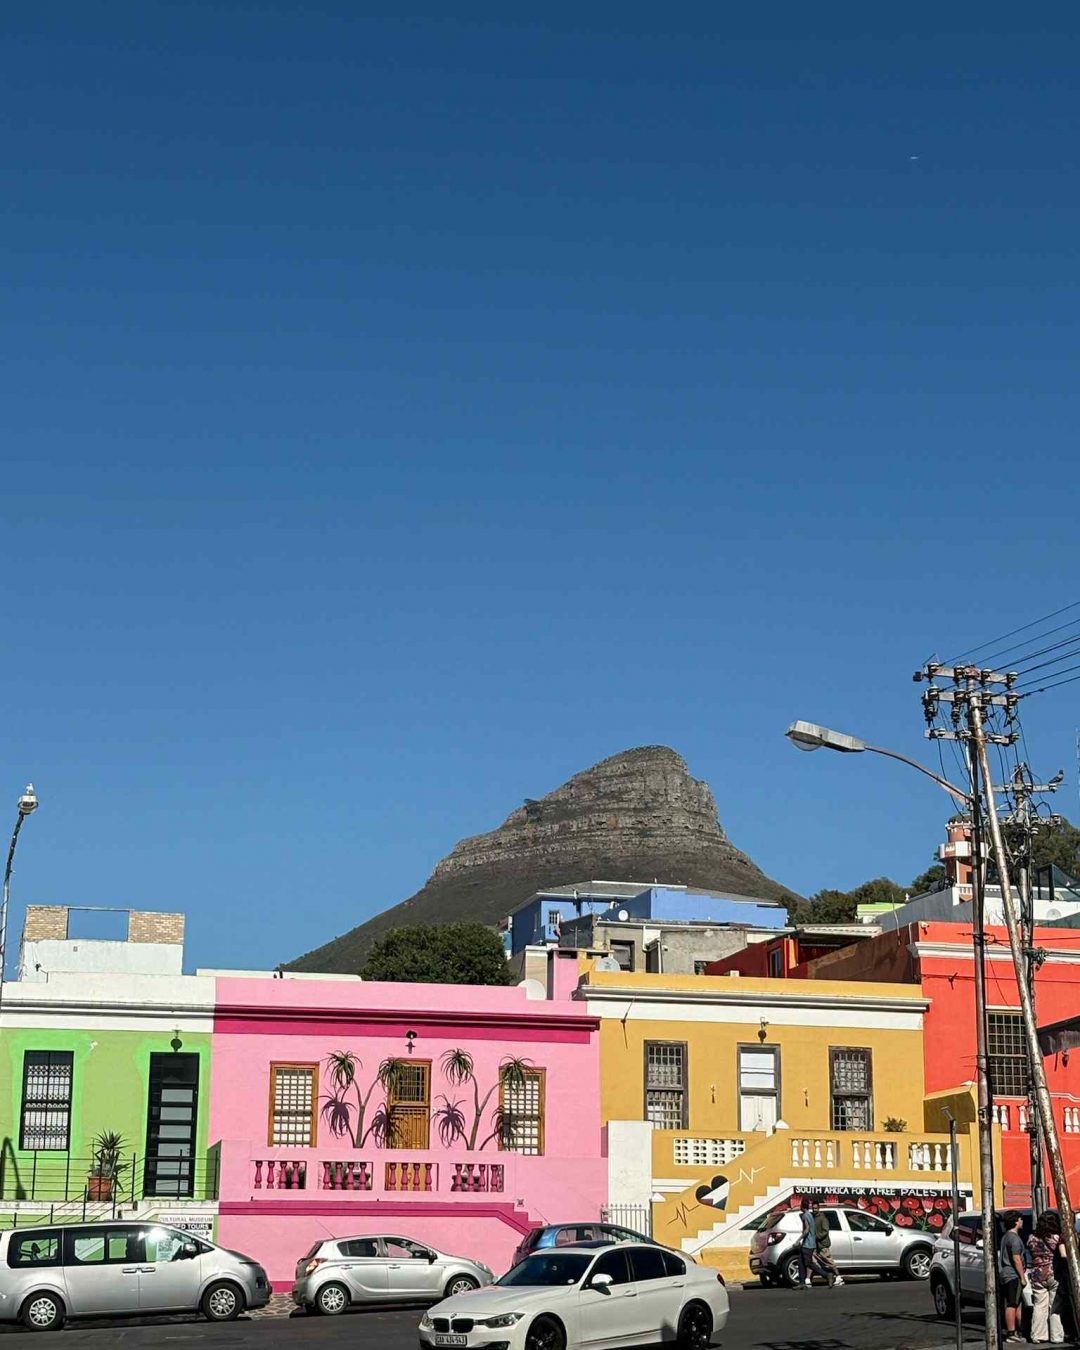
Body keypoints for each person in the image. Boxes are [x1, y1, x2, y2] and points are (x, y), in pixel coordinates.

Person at [1028, 1211, 1064, 1345]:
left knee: (1039, 1306)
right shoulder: (1056, 1237)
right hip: (1053, 1273)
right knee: (1054, 1306)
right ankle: (1057, 1336)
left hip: (1037, 1274)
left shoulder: (1031, 1237)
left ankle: (1038, 1335)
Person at [999, 1209, 1029, 1343]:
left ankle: (1018, 1330)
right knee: (1012, 1303)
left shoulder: (1006, 1236)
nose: (1022, 1221)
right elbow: (1016, 1259)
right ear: (1016, 1221)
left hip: (1006, 1273)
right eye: (1020, 1219)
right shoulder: (1015, 1239)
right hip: (1012, 1275)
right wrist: (1022, 1277)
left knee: (1017, 1303)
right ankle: (1011, 1332)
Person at [797, 1197, 831, 1288]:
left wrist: (798, 1240)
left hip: (808, 1244)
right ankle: (801, 1283)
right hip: (808, 1243)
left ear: (802, 1206)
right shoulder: (809, 1215)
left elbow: (806, 1229)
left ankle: (827, 1275)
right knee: (800, 1261)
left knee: (809, 1263)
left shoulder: (805, 1216)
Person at [811, 1202, 844, 1288]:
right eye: (813, 1208)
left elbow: (825, 1231)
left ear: (819, 1208)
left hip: (822, 1244)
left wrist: (816, 1237)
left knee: (829, 1261)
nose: (814, 1210)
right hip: (816, 1245)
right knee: (813, 1262)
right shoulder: (813, 1218)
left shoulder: (823, 1218)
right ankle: (808, 1279)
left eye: (815, 1208)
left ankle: (838, 1277)